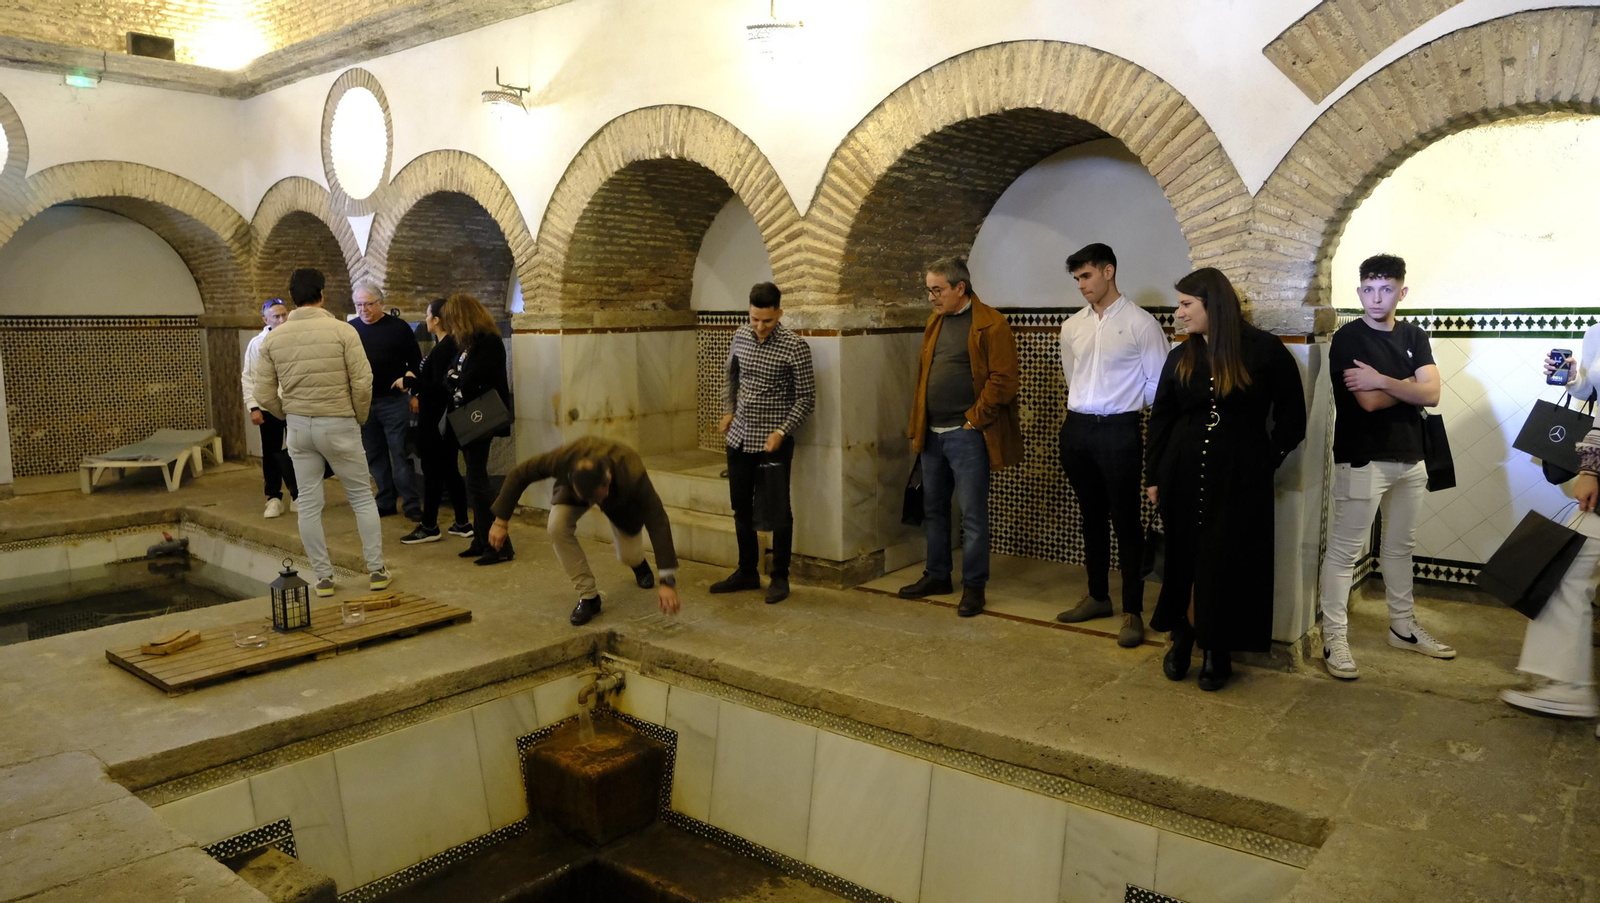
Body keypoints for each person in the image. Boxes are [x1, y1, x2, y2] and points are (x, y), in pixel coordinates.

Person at [1145, 267, 1305, 691]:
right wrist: (1154, 475)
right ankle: (1183, 637)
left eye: (1185, 304)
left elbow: (1293, 420)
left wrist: (1262, 461)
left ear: (1212, 304)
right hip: (1181, 473)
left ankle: (1218, 649)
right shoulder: (1182, 355)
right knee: (1184, 558)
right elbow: (1162, 418)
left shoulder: (1263, 350)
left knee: (1225, 561)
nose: (1178, 314)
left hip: (1239, 480)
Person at [1318, 254, 1451, 680]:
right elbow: (1369, 402)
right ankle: (1334, 637)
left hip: (1412, 458)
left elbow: (1433, 395)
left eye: (1387, 289)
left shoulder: (1415, 334)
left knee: (1399, 547)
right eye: (1370, 289)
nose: (1378, 298)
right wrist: (1409, 386)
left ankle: (1403, 627)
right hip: (1363, 458)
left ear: (1402, 292)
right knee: (1343, 552)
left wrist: (1385, 380)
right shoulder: (1349, 339)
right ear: (1360, 292)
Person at [1053, 243, 1170, 647]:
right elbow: (1074, 376)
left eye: (1086, 276)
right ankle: (1098, 596)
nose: (1081, 286)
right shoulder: (1073, 326)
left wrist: (1122, 406)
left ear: (1108, 271)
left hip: (1120, 430)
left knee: (1126, 521)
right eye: (1077, 279)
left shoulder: (1141, 324)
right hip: (1078, 429)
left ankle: (1133, 612)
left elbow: (1158, 385)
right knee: (1090, 516)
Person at [899, 256, 1024, 617]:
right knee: (934, 509)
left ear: (960, 288)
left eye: (937, 290)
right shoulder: (935, 322)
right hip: (932, 432)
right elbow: (925, 375)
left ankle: (974, 586)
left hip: (967, 434)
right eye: (928, 290)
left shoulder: (991, 324)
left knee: (972, 515)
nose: (931, 298)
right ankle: (937, 574)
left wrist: (973, 420)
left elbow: (1005, 380)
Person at [253, 268, 390, 596]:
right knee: (360, 496)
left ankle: (324, 578)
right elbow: (362, 380)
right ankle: (377, 571)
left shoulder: (274, 337)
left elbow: (263, 389)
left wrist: (285, 413)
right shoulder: (343, 331)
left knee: (310, 502)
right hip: (339, 421)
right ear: (322, 295)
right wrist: (358, 414)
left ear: (293, 298)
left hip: (299, 426)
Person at [1501, 330, 1600, 729]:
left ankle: (1570, 686)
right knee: (1566, 570)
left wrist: (1591, 468)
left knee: (1567, 570)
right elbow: (1593, 396)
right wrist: (1576, 378)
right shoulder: (1595, 331)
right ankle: (1568, 684)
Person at [487, 437, 681, 626]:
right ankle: (589, 597)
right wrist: (500, 522)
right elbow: (520, 474)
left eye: (595, 499)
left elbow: (658, 521)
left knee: (628, 555)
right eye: (588, 500)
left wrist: (667, 582)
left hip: (619, 500)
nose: (591, 506)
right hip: (573, 490)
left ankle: (638, 563)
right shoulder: (564, 458)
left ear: (608, 481)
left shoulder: (631, 470)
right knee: (557, 527)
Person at [711, 281, 816, 604]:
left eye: (767, 321)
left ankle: (780, 577)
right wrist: (729, 411)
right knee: (740, 506)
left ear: (779, 314)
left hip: (774, 442)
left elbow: (806, 399)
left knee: (778, 512)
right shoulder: (741, 336)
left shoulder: (794, 347)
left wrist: (782, 430)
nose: (759, 327)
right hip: (740, 437)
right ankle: (746, 571)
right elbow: (731, 376)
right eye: (755, 319)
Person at [439, 294, 514, 566]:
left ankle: (499, 545)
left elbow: (472, 381)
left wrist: (457, 380)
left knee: (477, 483)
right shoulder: (465, 344)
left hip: (481, 418)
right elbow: (448, 377)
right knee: (474, 480)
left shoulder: (489, 342)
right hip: (465, 419)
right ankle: (482, 540)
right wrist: (455, 380)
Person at [394, 298, 473, 545]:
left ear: (437, 320)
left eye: (427, 314)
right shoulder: (447, 344)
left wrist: (409, 383)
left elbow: (439, 388)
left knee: (434, 472)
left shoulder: (445, 347)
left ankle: (429, 526)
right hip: (441, 418)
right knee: (449, 470)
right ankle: (462, 523)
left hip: (437, 420)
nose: (426, 318)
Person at [351, 282, 424, 521]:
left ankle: (411, 503)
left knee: (399, 452)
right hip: (364, 402)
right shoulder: (350, 330)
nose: (363, 309)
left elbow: (415, 359)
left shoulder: (397, 327)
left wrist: (412, 385)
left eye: (368, 304)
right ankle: (385, 500)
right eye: (359, 304)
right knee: (374, 454)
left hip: (393, 401)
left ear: (381, 303)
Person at [242, 298, 300, 518]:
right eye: (276, 316)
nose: (282, 319)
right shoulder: (258, 344)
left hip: (295, 405)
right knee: (271, 452)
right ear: (265, 319)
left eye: (284, 314)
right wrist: (253, 407)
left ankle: (298, 494)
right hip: (268, 406)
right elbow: (249, 378)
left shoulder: (297, 339)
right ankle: (274, 497)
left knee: (298, 450)